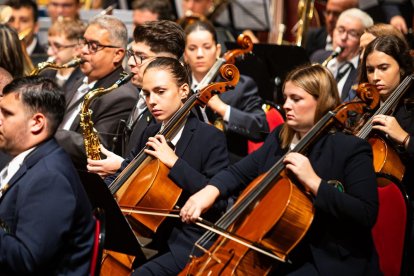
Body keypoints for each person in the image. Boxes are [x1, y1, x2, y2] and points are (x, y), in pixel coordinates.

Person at [181, 64, 381, 275]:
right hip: (279, 251)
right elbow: (238, 172)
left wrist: (314, 182)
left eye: (296, 99)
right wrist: (208, 192)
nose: (286, 105)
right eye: (285, 98)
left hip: (327, 259)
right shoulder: (280, 138)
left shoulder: (350, 149)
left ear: (320, 101)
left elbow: (365, 214)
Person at [102, 57, 228, 275]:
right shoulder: (150, 133)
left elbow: (220, 202)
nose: (152, 101)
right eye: (147, 93)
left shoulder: (210, 137)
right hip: (144, 237)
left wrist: (174, 162)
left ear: (183, 91)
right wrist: (101, 194)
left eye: (160, 92)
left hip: (185, 242)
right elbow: (127, 173)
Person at [0, 76, 94, 274]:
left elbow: (25, 261)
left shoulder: (50, 178)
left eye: (6, 113)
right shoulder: (28, 157)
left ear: (36, 123)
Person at [87, 20, 185, 178]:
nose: (131, 63)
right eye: (131, 54)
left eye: (141, 57)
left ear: (166, 63)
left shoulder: (174, 106)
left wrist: (122, 167)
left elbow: (164, 172)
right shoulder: (139, 94)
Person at [55, 15, 138, 169]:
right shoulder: (79, 79)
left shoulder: (121, 96)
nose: (83, 51)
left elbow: (98, 148)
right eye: (84, 42)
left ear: (118, 54)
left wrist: (49, 131)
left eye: (94, 46)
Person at [184, 20, 268, 163]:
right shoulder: (179, 86)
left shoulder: (241, 86)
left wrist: (223, 109)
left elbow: (260, 128)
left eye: (206, 47)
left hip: (227, 166)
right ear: (185, 54)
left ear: (217, 50)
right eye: (192, 48)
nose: (199, 54)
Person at [357, 35, 414, 194]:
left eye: (383, 68)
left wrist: (405, 138)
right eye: (370, 70)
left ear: (401, 68)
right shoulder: (362, 108)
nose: (375, 77)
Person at [311, 8, 373, 102]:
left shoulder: (363, 71)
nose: (343, 38)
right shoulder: (318, 57)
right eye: (340, 30)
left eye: (352, 33)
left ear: (362, 39)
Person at [41, 18, 85, 90]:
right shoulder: (45, 74)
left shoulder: (84, 80)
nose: (49, 52)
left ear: (77, 49)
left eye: (58, 46)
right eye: (49, 44)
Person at [5, 0, 47, 65]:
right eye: (11, 20)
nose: (16, 26)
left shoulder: (48, 58)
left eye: (24, 21)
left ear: (36, 27)